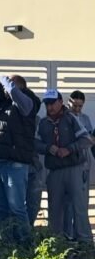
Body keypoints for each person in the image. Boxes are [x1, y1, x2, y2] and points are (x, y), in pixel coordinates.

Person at [0, 74, 40, 244]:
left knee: (17, 208)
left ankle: (25, 245)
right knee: (0, 208)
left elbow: (17, 95)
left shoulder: (28, 102)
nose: (0, 90)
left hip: (15, 164)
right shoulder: (1, 106)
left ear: (16, 87)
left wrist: (3, 80)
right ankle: (8, 246)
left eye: (3, 88)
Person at [35, 89, 92, 243]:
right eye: (47, 104)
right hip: (54, 171)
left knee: (79, 207)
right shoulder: (43, 123)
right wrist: (48, 148)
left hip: (74, 167)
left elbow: (86, 140)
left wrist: (69, 149)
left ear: (60, 102)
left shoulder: (71, 119)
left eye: (52, 103)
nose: (49, 107)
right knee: (55, 209)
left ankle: (85, 242)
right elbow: (36, 143)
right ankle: (57, 242)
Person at [65, 90, 93, 238]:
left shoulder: (85, 118)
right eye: (74, 105)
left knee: (82, 199)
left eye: (79, 106)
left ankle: (80, 233)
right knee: (67, 201)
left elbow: (90, 139)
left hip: (85, 162)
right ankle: (68, 233)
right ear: (68, 102)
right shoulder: (64, 117)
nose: (76, 109)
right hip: (69, 161)